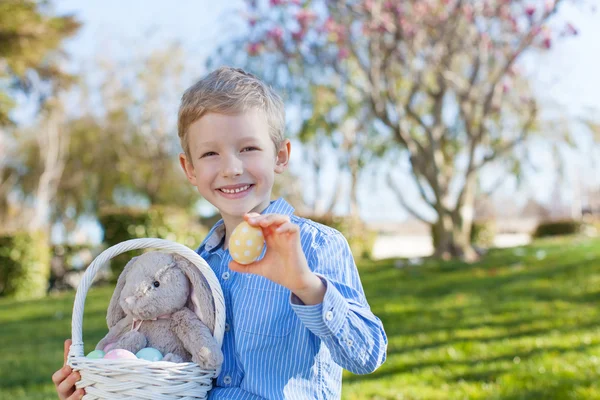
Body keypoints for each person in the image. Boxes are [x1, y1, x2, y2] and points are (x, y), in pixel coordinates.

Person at [53, 66, 387, 400]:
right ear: (190, 169)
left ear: (281, 156)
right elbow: (175, 367)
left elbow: (366, 355)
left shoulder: (317, 246)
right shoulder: (192, 268)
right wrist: (100, 387)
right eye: (211, 153)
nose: (231, 168)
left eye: (249, 148)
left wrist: (307, 287)